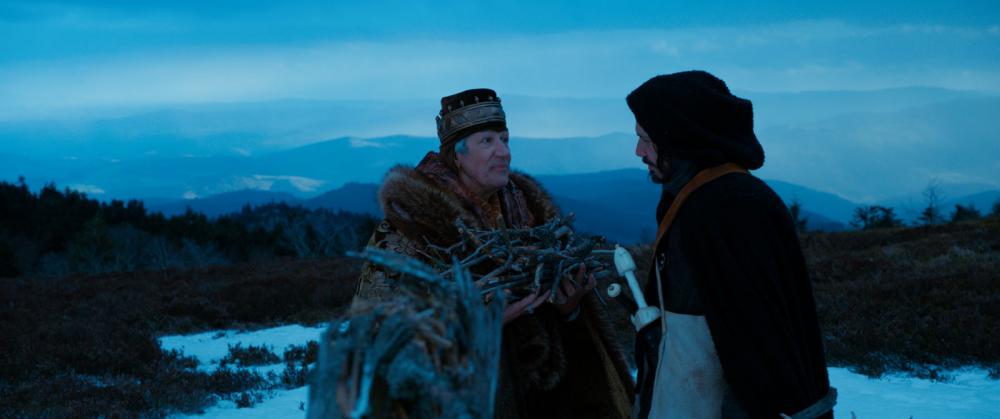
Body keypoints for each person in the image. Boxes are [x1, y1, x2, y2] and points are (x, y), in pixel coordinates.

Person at [354, 88, 634, 418]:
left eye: (505, 139)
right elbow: (375, 336)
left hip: (544, 400)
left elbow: (561, 320)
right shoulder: (408, 228)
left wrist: (568, 309)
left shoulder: (531, 213)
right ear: (456, 155)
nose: (504, 152)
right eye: (487, 141)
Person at [625, 71, 835, 418]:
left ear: (679, 139)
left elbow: (759, 344)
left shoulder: (732, 211)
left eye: (646, 139)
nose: (638, 151)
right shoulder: (691, 201)